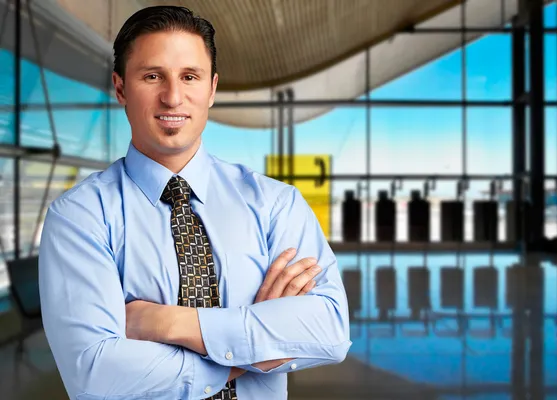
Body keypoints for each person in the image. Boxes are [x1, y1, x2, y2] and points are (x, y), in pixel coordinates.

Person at [38, 5, 351, 400]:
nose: (173, 97)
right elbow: (96, 375)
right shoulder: (80, 217)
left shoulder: (276, 204)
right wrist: (256, 338)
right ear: (120, 87)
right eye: (153, 76)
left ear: (212, 88)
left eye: (190, 77)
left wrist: (168, 323)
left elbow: (329, 332)